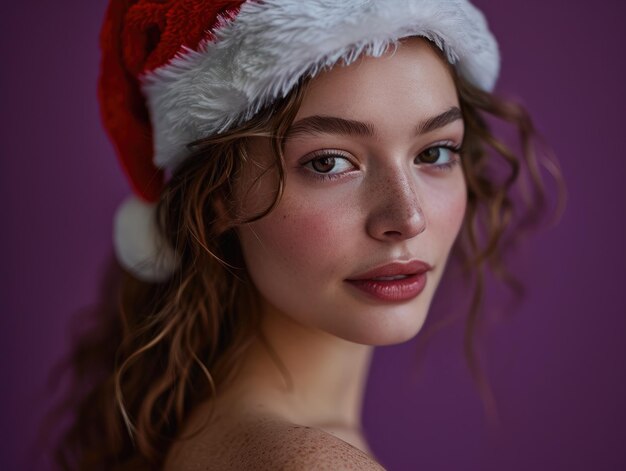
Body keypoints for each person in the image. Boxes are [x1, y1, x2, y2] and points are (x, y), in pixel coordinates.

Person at [54, 1, 555, 469]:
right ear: (217, 200)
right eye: (329, 162)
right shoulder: (309, 462)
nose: (408, 218)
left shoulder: (218, 432)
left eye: (434, 153)